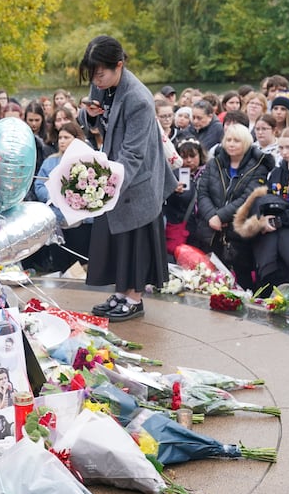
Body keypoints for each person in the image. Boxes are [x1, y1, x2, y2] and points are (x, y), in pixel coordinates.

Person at [79, 35, 176, 322]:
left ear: (119, 65)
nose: (96, 80)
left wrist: (107, 185)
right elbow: (89, 123)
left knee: (135, 238)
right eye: (93, 74)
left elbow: (133, 153)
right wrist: (91, 115)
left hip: (138, 177)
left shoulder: (139, 98)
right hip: (115, 167)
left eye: (101, 73)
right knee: (116, 238)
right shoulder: (101, 83)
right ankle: (122, 292)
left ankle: (134, 298)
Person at [234, 127, 289, 292]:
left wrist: (275, 221)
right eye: (281, 148)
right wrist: (264, 221)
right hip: (271, 234)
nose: (284, 152)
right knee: (268, 278)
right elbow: (266, 200)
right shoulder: (276, 171)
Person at [194, 123, 272, 290]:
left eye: (236, 140)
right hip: (212, 231)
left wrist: (221, 216)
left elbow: (248, 198)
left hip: (240, 233)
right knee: (213, 279)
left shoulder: (258, 167)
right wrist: (212, 217)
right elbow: (202, 193)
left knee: (244, 281)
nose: (231, 144)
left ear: (245, 142)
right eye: (228, 139)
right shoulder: (214, 163)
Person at [34, 122, 92, 271]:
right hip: (58, 221)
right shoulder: (50, 161)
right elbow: (39, 185)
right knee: (60, 266)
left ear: (77, 139)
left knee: (80, 266)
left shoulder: (87, 161)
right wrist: (55, 196)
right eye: (60, 137)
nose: (62, 141)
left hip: (81, 223)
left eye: (67, 137)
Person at [164, 137, 207, 255]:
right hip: (181, 225)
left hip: (202, 227)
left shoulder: (208, 173)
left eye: (192, 156)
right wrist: (172, 190)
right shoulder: (173, 175)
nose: (188, 160)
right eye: (184, 157)